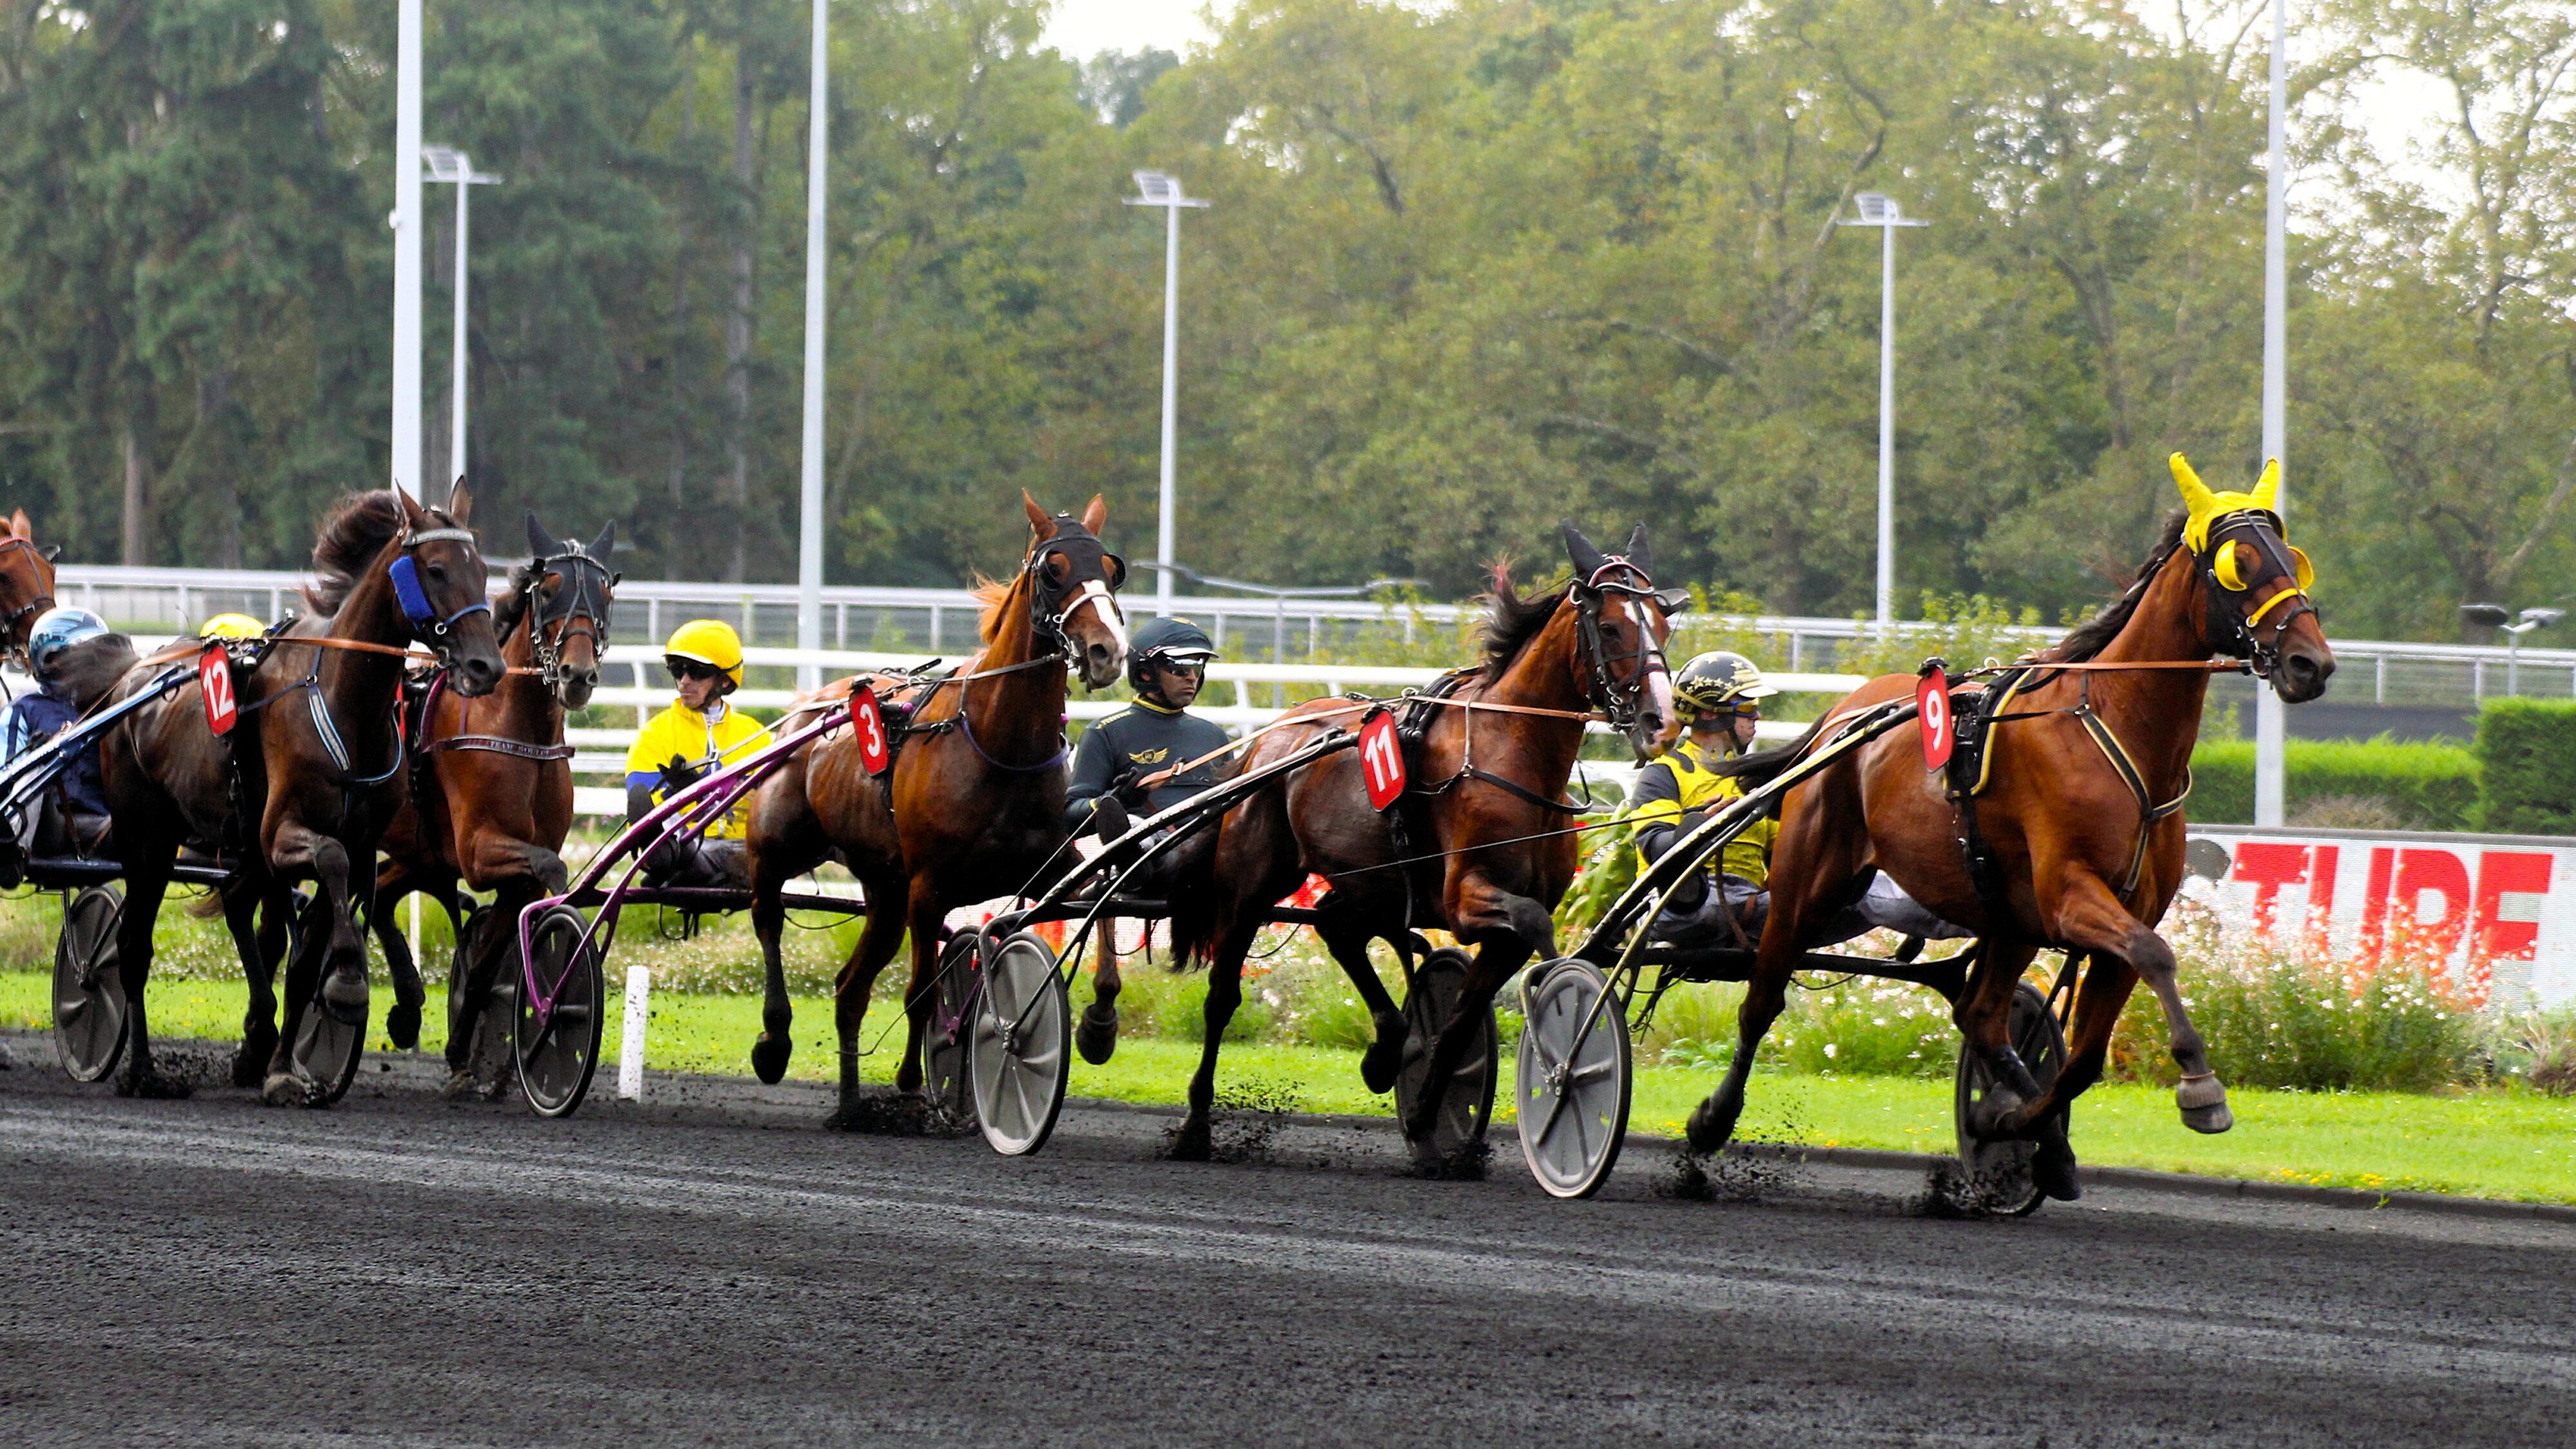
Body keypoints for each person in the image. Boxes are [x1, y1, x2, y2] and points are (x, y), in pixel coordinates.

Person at [1633, 650, 1968, 951]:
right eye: (1748, 708)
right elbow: (1654, 845)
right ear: (1710, 715)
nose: (1758, 718)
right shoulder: (1664, 774)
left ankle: (1972, 915)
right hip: (1683, 908)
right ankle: (1973, 916)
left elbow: (1793, 854)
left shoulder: (1748, 780)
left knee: (1859, 891)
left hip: (1751, 906)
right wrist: (1705, 825)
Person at [1065, 617, 1233, 892]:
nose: (1193, 676)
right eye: (1181, 667)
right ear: (1146, 673)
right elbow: (1071, 818)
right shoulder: (1106, 732)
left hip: (1208, 853)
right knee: (1135, 826)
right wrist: (1115, 801)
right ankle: (1135, 863)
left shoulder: (1214, 736)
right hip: (1149, 852)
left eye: (1198, 666)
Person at [624, 619, 766, 889]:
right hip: (689, 845)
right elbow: (639, 798)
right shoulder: (655, 733)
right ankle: (669, 857)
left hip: (750, 848)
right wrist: (674, 792)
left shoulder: (755, 735)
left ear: (725, 680)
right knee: (688, 853)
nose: (684, 681)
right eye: (677, 671)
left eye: (697, 672)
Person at [4, 607, 136, 855]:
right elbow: (5, 774)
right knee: (30, 766)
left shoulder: (113, 705)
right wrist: (41, 753)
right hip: (45, 825)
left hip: (103, 820)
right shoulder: (24, 709)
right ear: (50, 659)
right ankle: (10, 849)